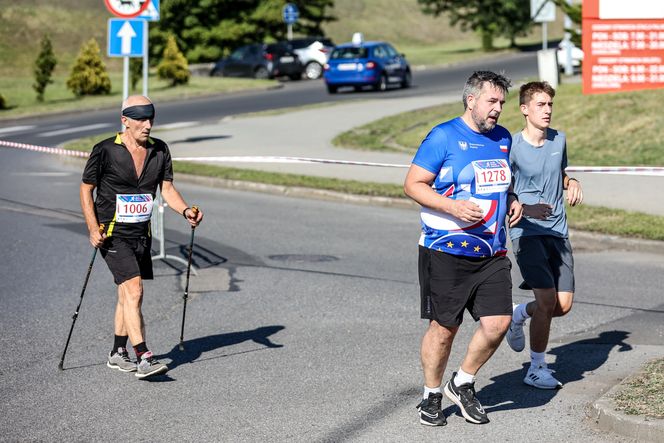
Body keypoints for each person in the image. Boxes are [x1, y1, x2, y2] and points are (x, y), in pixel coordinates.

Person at [404, 71, 522, 426]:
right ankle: (431, 395)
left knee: (498, 323)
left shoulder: (503, 138)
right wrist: (452, 206)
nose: (498, 109)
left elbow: (504, 182)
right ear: (471, 100)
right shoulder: (443, 136)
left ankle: (463, 381)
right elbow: (413, 185)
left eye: (501, 102)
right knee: (444, 328)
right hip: (445, 249)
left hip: (492, 250)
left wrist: (512, 198)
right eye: (492, 101)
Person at [80, 95, 203, 379]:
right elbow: (86, 189)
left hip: (140, 234)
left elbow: (167, 189)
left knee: (127, 295)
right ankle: (144, 356)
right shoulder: (106, 150)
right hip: (112, 233)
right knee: (134, 290)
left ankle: (117, 352)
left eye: (151, 119)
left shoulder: (159, 151)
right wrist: (92, 227)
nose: (147, 125)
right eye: (141, 120)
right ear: (125, 120)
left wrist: (185, 210)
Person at [505, 81, 583, 389]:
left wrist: (572, 181)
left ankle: (519, 314)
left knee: (562, 306)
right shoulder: (510, 146)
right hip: (527, 232)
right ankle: (536, 367)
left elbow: (559, 173)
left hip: (558, 232)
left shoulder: (559, 140)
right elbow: (502, 189)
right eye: (540, 105)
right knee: (548, 301)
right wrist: (524, 208)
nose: (547, 110)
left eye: (550, 104)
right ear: (524, 109)